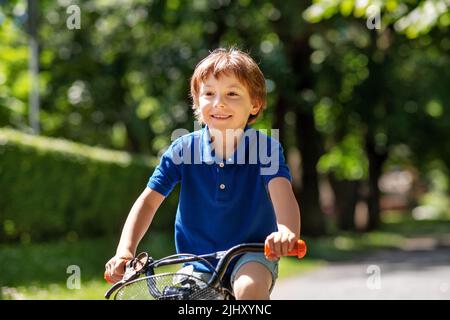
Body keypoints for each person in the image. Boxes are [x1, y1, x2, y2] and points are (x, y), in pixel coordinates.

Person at [105, 48, 301, 300]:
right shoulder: (183, 149)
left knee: (249, 288)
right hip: (197, 259)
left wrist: (287, 232)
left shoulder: (266, 148)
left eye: (232, 93)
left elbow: (282, 193)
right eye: (209, 93)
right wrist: (125, 251)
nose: (219, 102)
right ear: (197, 101)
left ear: (254, 104)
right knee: (184, 297)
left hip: (251, 253)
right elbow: (148, 201)